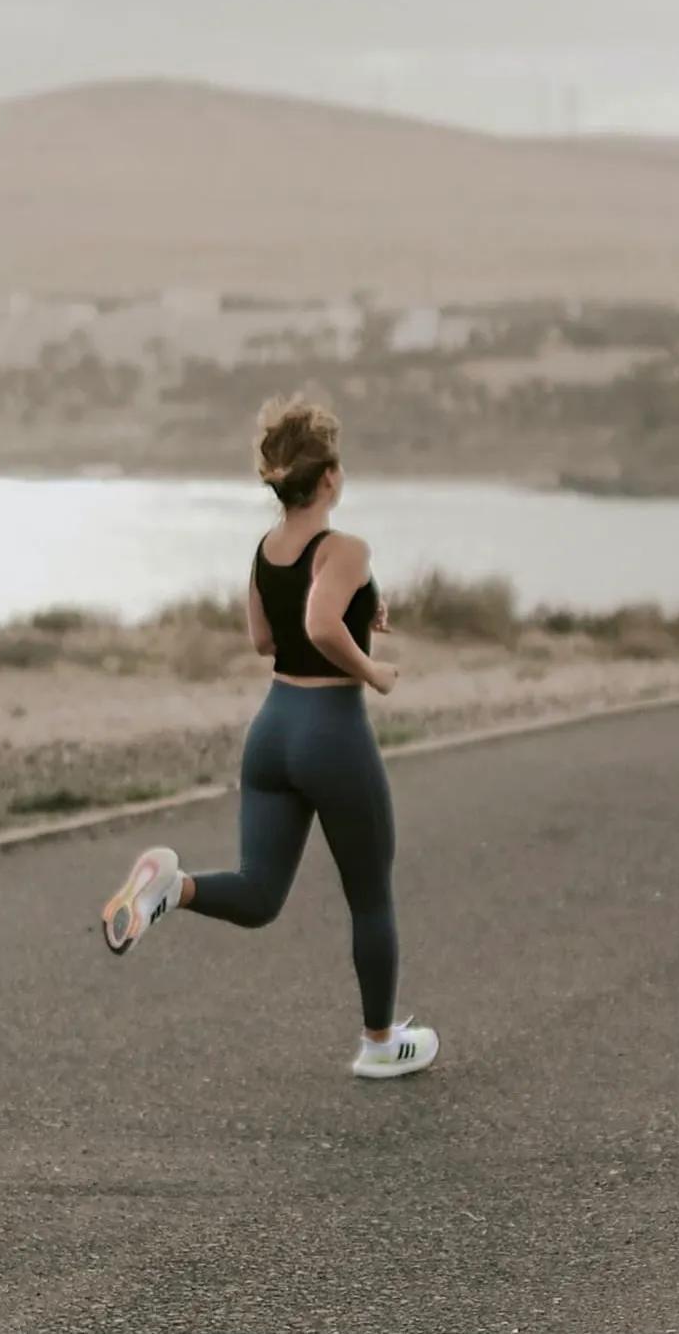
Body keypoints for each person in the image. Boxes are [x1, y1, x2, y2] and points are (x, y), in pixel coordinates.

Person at [100, 394, 439, 1080]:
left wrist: (359, 616)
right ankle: (380, 1042)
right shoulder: (344, 548)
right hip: (331, 733)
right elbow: (317, 624)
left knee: (259, 893)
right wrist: (373, 669)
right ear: (331, 476)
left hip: (273, 730)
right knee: (370, 894)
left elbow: (265, 637)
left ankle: (173, 887)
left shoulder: (265, 548)